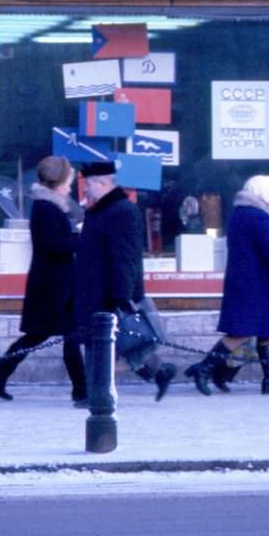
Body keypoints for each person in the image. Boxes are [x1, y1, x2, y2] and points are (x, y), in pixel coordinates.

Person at [185, 174, 269, 396]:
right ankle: (204, 368)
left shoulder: (240, 214)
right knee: (241, 332)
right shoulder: (259, 218)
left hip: (251, 281)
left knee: (266, 330)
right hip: (257, 284)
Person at [0, 155, 87, 405]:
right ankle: (81, 391)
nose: (70, 186)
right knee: (59, 336)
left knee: (41, 336)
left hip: (57, 282)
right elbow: (52, 245)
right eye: (68, 181)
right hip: (53, 285)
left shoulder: (50, 206)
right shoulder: (45, 207)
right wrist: (82, 239)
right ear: (57, 182)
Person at [73, 160, 175, 402]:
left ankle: (96, 395)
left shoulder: (122, 211)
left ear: (103, 183)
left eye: (88, 184)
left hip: (109, 291)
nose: (85, 189)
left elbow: (126, 257)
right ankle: (159, 372)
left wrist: (123, 294)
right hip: (93, 289)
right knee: (104, 341)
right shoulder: (98, 211)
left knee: (107, 341)